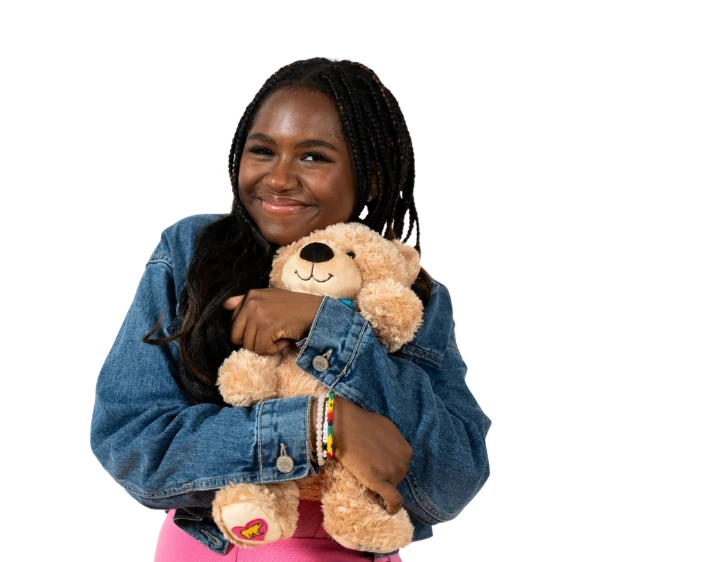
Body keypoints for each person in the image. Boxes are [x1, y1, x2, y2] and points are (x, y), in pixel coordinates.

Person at [90, 57, 491, 561]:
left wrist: (327, 329)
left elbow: (453, 482)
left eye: (313, 157)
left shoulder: (409, 297)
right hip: (213, 542)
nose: (278, 179)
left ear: (369, 177)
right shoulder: (191, 254)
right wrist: (324, 427)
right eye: (262, 151)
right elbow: (131, 442)